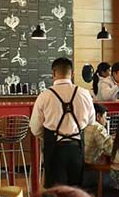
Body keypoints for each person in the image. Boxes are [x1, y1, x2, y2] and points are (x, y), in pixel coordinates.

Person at [30, 57, 95, 188]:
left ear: (53, 73)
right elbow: (91, 121)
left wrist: (50, 135)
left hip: (54, 149)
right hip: (77, 148)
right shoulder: (84, 93)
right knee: (75, 191)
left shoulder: (44, 96)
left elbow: (35, 128)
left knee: (56, 193)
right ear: (72, 73)